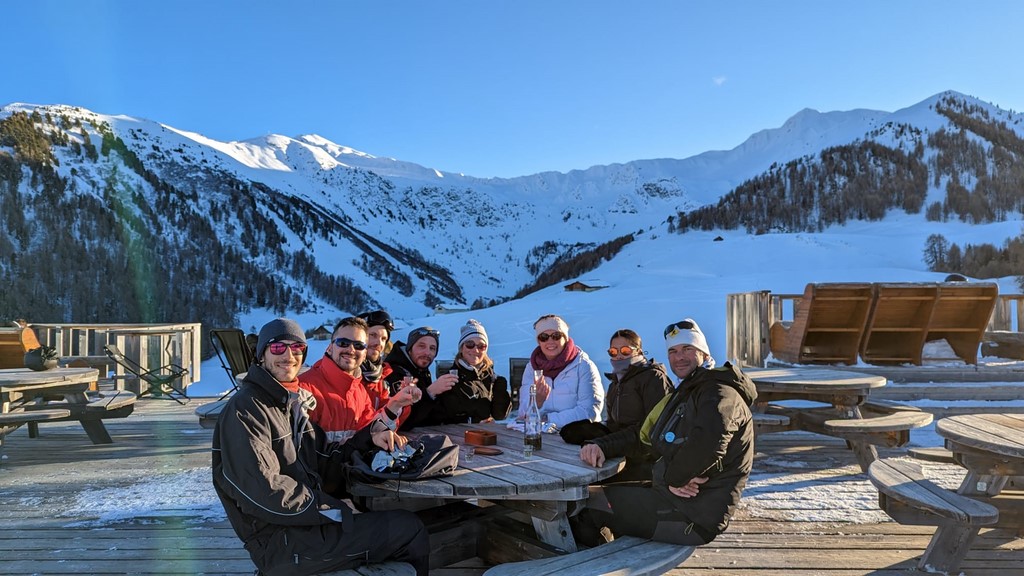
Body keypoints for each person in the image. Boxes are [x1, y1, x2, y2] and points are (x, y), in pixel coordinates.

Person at [212, 318, 430, 576]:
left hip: (302, 526)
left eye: (297, 348)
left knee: (402, 523)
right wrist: (331, 509)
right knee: (409, 530)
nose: (289, 356)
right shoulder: (247, 409)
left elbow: (325, 458)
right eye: (278, 347)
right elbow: (264, 490)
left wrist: (370, 438)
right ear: (261, 355)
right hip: (281, 542)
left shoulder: (288, 404)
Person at [573, 317, 756, 547]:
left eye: (687, 348)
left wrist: (675, 478)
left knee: (586, 508)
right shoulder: (689, 390)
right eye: (673, 351)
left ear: (703, 353)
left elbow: (708, 444)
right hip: (673, 497)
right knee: (591, 496)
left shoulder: (718, 393)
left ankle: (599, 564)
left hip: (692, 517)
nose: (679, 357)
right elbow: (646, 438)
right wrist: (601, 444)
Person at [299, 317, 420, 445]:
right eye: (343, 343)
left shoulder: (359, 391)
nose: (351, 350)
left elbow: (370, 431)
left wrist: (395, 404)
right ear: (330, 348)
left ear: (364, 353)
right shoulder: (305, 389)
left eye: (359, 346)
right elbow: (305, 450)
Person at [402, 319, 511, 427]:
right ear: (461, 348)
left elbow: (500, 415)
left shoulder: (489, 377)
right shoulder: (451, 378)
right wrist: (474, 423)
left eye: (481, 346)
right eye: (470, 344)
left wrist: (500, 388)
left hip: (484, 435)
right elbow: (439, 419)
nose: (476, 350)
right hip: (460, 436)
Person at [600, 328, 674, 481]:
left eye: (625, 351)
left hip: (647, 464)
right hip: (623, 455)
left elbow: (653, 430)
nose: (619, 355)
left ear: (638, 351)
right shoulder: (615, 383)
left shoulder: (653, 378)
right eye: (613, 351)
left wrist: (605, 445)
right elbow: (613, 425)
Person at [516, 314, 603, 428]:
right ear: (539, 342)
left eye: (556, 336)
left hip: (575, 434)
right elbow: (522, 415)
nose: (550, 341)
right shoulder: (532, 368)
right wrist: (537, 402)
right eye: (544, 337)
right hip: (541, 433)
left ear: (565, 338)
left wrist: (548, 419)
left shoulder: (583, 365)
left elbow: (589, 412)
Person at [357, 309, 396, 411]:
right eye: (373, 335)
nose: (379, 343)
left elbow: (384, 417)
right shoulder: (341, 372)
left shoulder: (380, 379)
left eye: (383, 339)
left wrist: (400, 404)